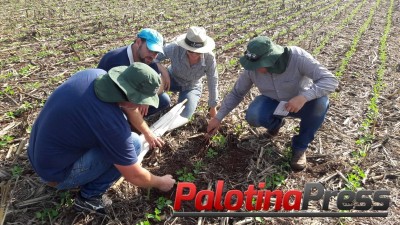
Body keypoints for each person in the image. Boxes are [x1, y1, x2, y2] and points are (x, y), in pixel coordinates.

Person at [27, 63, 176, 215]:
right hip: (55, 174)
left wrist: (147, 132)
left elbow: (126, 106)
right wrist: (160, 182)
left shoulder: (93, 75)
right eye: (141, 101)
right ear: (132, 98)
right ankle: (88, 198)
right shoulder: (110, 124)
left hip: (37, 153)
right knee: (134, 143)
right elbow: (134, 175)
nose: (142, 106)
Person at [207, 36, 338, 171]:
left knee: (321, 103)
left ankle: (300, 147)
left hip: (302, 104)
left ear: (271, 58)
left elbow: (330, 80)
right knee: (254, 114)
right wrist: (218, 118)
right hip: (274, 103)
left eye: (259, 65)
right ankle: (276, 124)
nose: (255, 69)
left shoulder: (297, 57)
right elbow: (237, 93)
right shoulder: (252, 69)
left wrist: (304, 97)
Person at [155, 26, 219, 130]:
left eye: (198, 52)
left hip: (191, 86)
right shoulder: (175, 48)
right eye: (190, 51)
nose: (194, 55)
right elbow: (153, 58)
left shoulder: (209, 58)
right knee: (153, 89)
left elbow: (213, 80)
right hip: (171, 78)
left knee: (183, 117)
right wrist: (164, 71)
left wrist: (213, 106)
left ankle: (161, 130)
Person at [98, 28, 171, 117]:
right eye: (150, 50)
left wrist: (146, 98)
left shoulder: (149, 60)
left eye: (156, 52)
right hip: (110, 99)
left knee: (163, 100)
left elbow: (160, 82)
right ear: (138, 42)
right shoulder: (114, 60)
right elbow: (106, 92)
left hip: (133, 99)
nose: (152, 55)